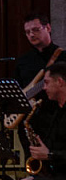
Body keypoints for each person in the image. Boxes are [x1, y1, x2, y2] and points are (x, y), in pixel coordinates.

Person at [4, 61, 66, 180]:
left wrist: (50, 155)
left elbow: (53, 153)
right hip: (57, 178)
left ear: (60, 82)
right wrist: (34, 176)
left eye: (46, 83)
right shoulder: (57, 113)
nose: (43, 88)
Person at [14, 14, 62, 144]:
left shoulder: (62, 57)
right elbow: (18, 92)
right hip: (30, 124)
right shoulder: (23, 61)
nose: (31, 35)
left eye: (35, 30)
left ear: (48, 28)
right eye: (27, 32)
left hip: (56, 121)